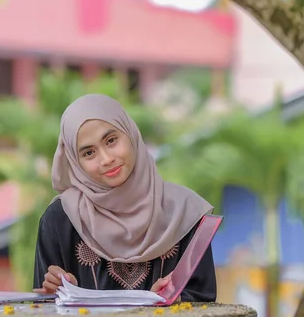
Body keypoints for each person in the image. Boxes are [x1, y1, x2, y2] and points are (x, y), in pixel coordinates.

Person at [32, 94, 216, 302]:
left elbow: (205, 300)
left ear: (130, 133)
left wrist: (170, 302)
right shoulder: (60, 219)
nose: (106, 159)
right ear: (75, 161)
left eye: (111, 140)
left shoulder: (184, 212)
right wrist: (60, 293)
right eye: (89, 153)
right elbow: (41, 304)